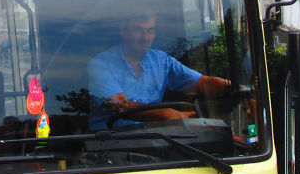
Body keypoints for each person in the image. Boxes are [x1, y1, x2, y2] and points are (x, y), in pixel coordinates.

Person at [88, 6, 231, 122]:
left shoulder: (161, 60)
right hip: (110, 144)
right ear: (123, 31)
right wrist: (166, 113)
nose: (146, 37)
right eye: (139, 30)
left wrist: (242, 90)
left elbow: (204, 83)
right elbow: (120, 106)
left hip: (158, 141)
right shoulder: (101, 64)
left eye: (150, 30)